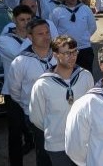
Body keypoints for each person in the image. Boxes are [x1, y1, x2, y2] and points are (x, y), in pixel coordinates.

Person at [29, 36, 94, 166]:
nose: (72, 56)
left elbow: (92, 108)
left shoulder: (85, 76)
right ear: (55, 55)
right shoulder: (42, 84)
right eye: (66, 53)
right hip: (57, 145)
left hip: (82, 142)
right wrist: (55, 128)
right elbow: (37, 118)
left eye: (75, 51)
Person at [8, 19, 58, 166]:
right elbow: (15, 91)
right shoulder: (20, 61)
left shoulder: (59, 56)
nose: (46, 36)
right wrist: (28, 106)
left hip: (61, 113)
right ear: (30, 37)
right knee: (44, 154)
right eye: (40, 34)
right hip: (37, 116)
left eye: (47, 32)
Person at [0, 5, 35, 166]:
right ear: (14, 20)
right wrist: (31, 37)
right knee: (15, 133)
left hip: (33, 90)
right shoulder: (4, 40)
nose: (25, 23)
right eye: (22, 20)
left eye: (28, 19)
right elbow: (20, 55)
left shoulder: (35, 36)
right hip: (13, 93)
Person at [50, 0, 97, 73]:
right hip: (65, 51)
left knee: (86, 74)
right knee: (67, 75)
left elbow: (92, 26)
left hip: (84, 48)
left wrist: (84, 37)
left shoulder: (85, 9)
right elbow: (53, 30)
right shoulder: (57, 11)